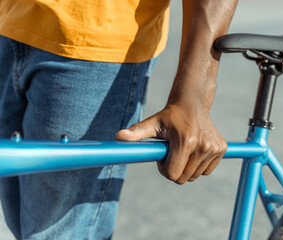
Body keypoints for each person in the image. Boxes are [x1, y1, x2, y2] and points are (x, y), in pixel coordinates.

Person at [0, 0, 238, 239]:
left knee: (58, 234)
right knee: (19, 222)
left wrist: (194, 95)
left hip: (96, 42)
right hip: (8, 22)